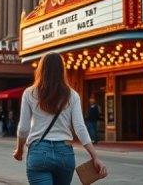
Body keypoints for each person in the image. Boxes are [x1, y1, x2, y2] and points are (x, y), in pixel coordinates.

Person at [13, 52, 107, 185]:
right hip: (65, 153)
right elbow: (80, 128)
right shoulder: (72, 95)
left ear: (41, 69)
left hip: (39, 152)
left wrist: (19, 150)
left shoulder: (30, 93)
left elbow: (23, 128)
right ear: (62, 70)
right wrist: (95, 156)